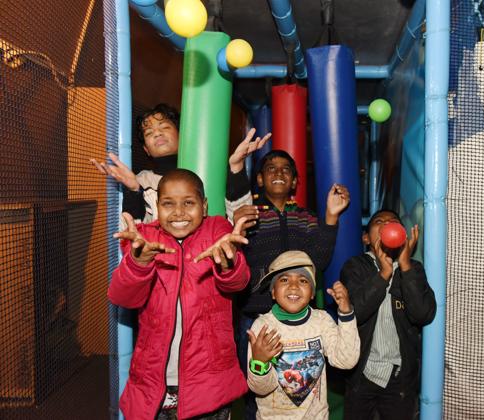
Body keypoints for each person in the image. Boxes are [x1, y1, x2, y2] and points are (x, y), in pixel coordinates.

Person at [108, 168, 251, 420]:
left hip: (208, 384)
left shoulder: (217, 230)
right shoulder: (146, 238)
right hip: (154, 383)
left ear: (204, 206)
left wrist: (228, 264)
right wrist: (138, 263)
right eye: (168, 204)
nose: (178, 212)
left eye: (188, 203)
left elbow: (237, 284)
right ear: (157, 205)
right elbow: (122, 297)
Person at [227, 149, 350, 418]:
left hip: (297, 322)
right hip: (255, 316)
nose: (279, 172)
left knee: (300, 384)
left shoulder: (305, 218)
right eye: (271, 168)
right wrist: (236, 173)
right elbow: (236, 254)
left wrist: (330, 217)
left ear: (295, 181)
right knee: (257, 387)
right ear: (259, 179)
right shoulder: (251, 216)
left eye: (286, 169)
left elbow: (318, 260)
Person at [91, 103, 270, 222]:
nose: (157, 134)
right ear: (146, 149)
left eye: (164, 127)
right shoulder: (142, 181)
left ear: (181, 135)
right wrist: (133, 191)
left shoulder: (205, 168)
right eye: (149, 133)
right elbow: (136, 230)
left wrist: (236, 168)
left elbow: (239, 218)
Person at [340, 209, 437, 420]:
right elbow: (354, 312)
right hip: (361, 375)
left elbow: (422, 314)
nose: (387, 225)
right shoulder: (355, 267)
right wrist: (384, 274)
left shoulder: (414, 269)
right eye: (379, 222)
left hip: (399, 377)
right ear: (366, 238)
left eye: (393, 222)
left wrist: (405, 266)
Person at [247, 250, 360, 419]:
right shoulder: (263, 327)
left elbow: (346, 360)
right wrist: (260, 364)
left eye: (303, 280)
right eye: (284, 279)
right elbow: (261, 389)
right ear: (273, 292)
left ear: (313, 293)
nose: (294, 286)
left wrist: (346, 313)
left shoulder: (321, 321)